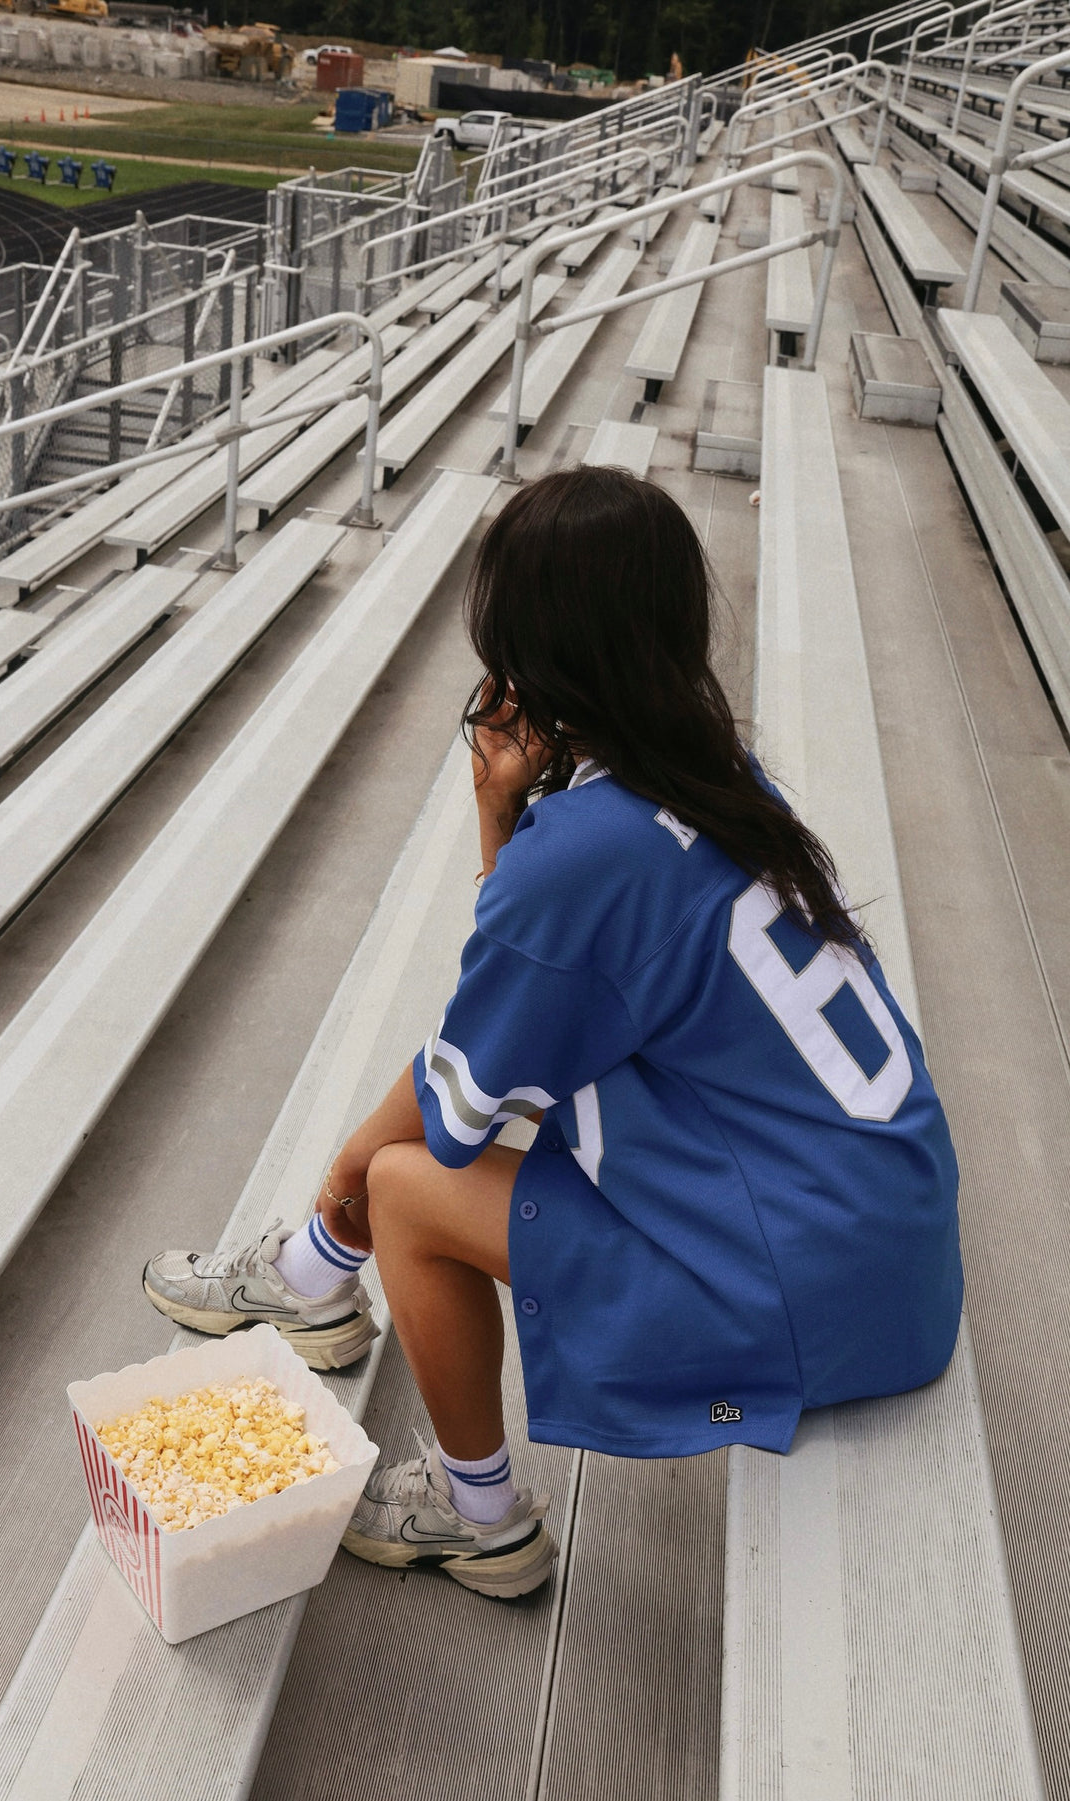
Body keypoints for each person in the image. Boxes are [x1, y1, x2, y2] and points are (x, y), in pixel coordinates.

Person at [144, 467, 962, 1599]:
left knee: (401, 1188)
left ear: (534, 654)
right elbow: (532, 1007)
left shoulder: (584, 850)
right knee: (436, 1138)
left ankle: (479, 1520)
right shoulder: (719, 774)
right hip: (889, 1255)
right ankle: (314, 1278)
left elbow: (469, 1105)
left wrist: (340, 1178)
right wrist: (511, 835)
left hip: (807, 1319)